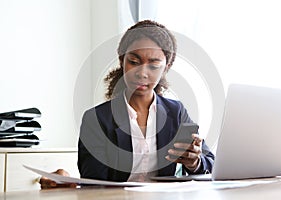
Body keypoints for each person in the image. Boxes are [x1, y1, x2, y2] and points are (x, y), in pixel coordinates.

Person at [40, 20, 214, 189]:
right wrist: (68, 180)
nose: (142, 73)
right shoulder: (96, 119)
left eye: (153, 66)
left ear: (166, 68)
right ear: (122, 60)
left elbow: (211, 164)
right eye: (134, 61)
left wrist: (194, 162)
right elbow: (93, 183)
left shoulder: (176, 112)